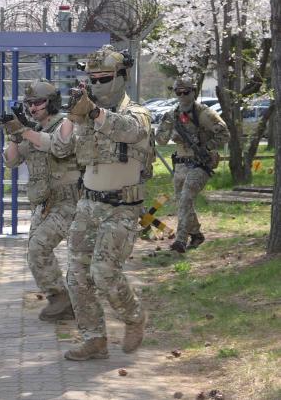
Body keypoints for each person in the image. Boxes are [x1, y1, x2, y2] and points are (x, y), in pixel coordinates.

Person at [51, 45, 150, 361]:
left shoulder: (136, 113)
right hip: (88, 206)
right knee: (77, 276)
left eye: (104, 78)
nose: (96, 84)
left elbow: (131, 132)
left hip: (121, 208)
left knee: (104, 271)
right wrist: (73, 116)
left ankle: (134, 317)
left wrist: (95, 113)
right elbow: (60, 147)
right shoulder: (85, 116)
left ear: (122, 77)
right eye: (91, 79)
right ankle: (95, 339)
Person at [1, 79, 81, 321]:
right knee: (35, 253)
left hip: (68, 201)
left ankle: (66, 300)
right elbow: (12, 161)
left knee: (40, 249)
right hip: (44, 204)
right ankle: (61, 299)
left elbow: (58, 147)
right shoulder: (31, 129)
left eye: (38, 102)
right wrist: (14, 136)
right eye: (29, 104)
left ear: (52, 102)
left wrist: (24, 131)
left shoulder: (65, 125)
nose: (33, 108)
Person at [155, 77, 229, 253]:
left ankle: (181, 240)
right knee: (182, 202)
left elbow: (225, 134)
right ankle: (196, 234)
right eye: (178, 92)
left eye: (185, 92)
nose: (182, 95)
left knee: (186, 197)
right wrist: (171, 131)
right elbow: (160, 140)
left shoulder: (204, 113)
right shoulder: (172, 114)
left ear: (193, 92)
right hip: (180, 164)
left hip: (200, 163)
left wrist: (205, 147)